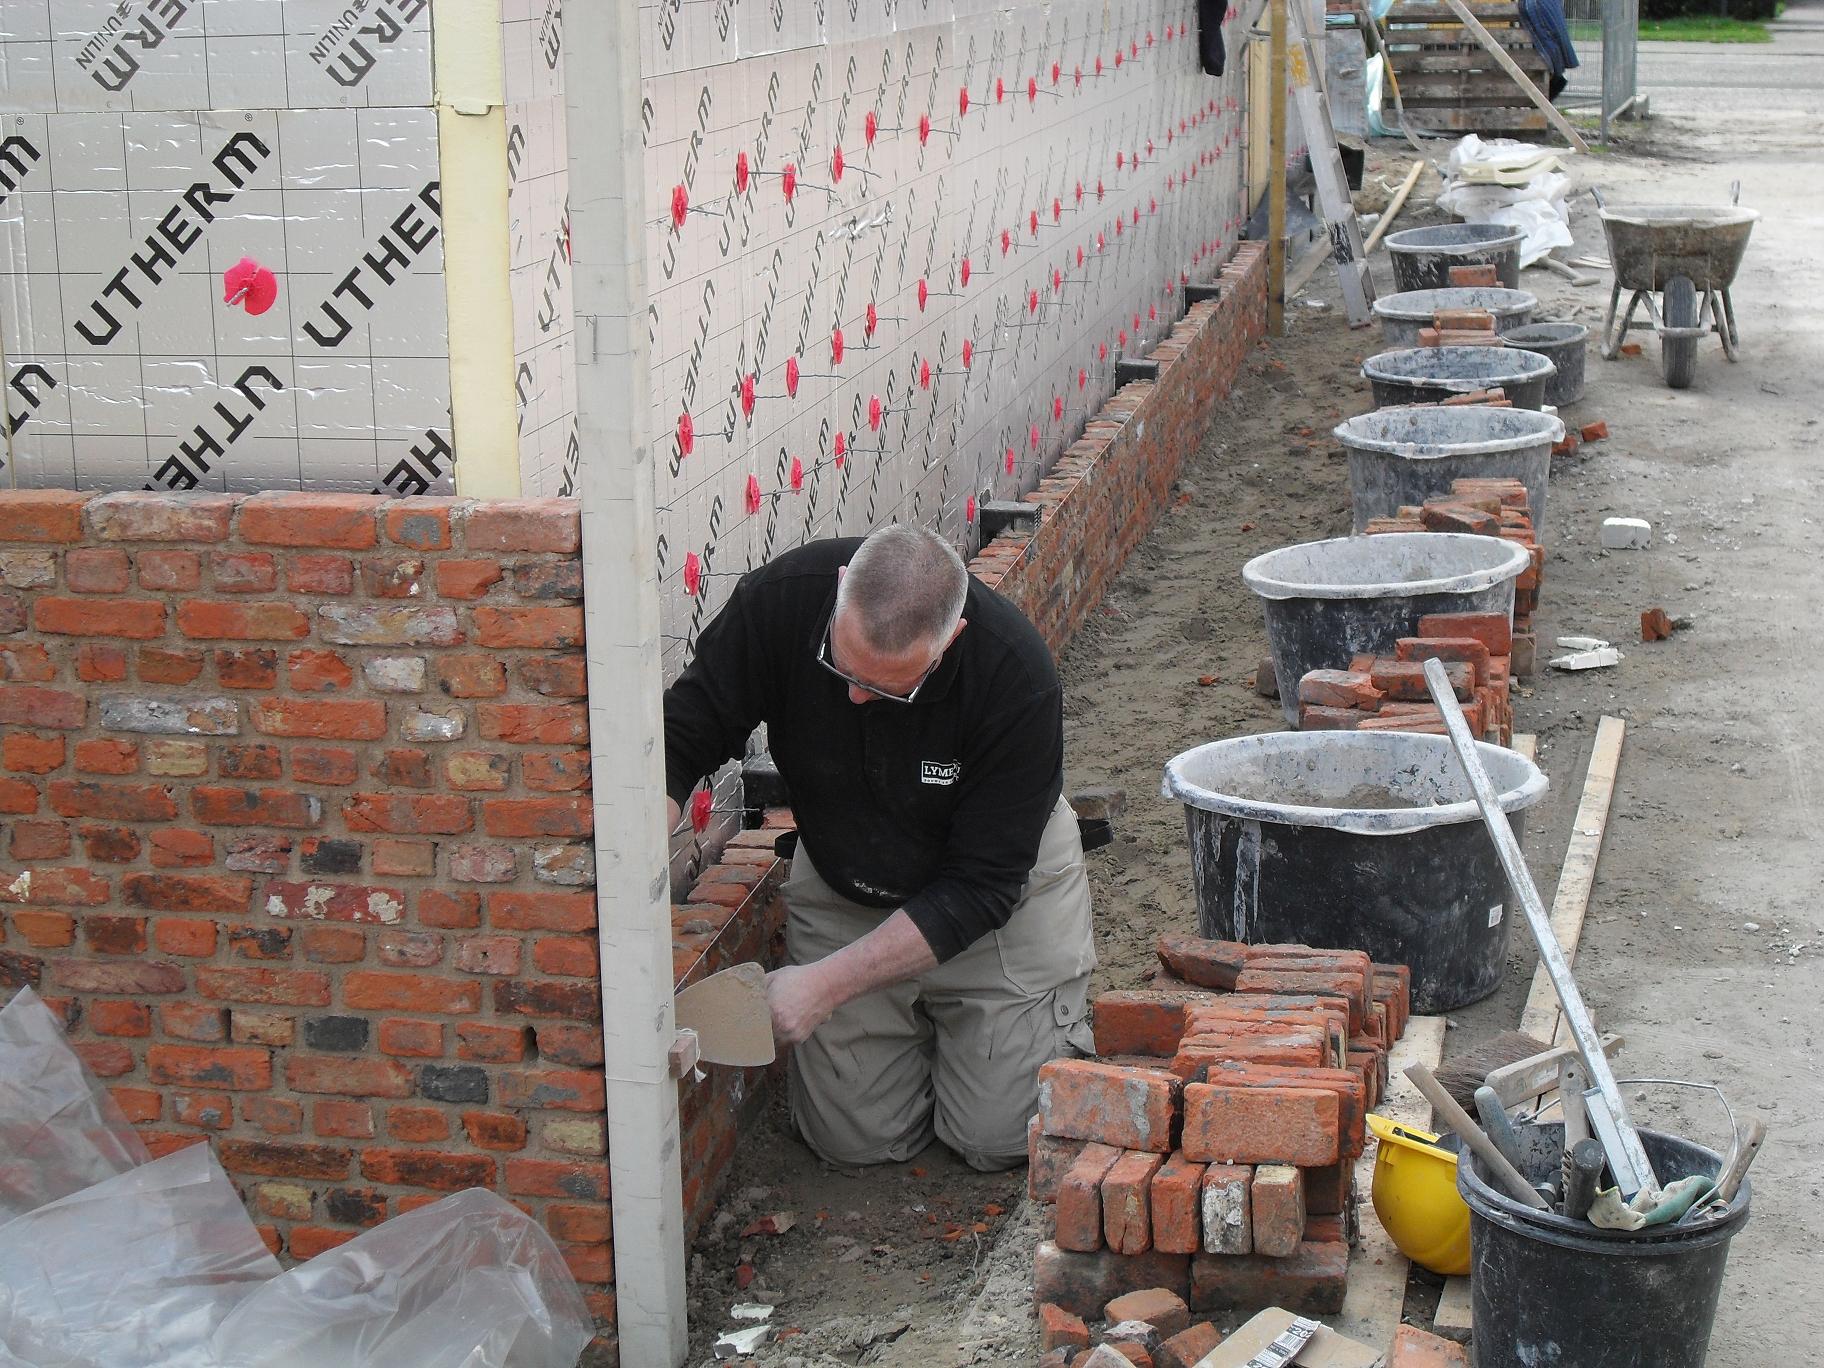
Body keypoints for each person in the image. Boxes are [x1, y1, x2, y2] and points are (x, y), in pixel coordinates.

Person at [662, 524, 1097, 1171]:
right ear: (841, 593)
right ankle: (914, 1033)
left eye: (891, 688)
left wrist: (823, 987)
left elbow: (982, 886)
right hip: (848, 876)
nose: (856, 697)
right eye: (841, 668)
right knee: (852, 1143)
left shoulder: (1013, 675)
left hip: (993, 901)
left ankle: (967, 1024)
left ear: (949, 642)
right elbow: (680, 740)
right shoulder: (781, 602)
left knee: (1000, 1139)